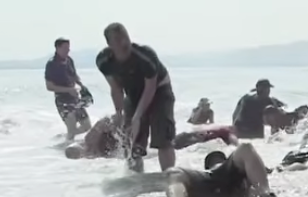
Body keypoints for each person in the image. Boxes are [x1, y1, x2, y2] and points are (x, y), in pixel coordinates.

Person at [96, 22, 177, 173]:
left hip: (159, 91)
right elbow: (116, 88)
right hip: (133, 94)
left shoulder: (144, 55)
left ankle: (169, 175)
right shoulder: (104, 61)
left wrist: (138, 116)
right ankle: (135, 179)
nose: (124, 42)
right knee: (131, 140)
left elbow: (150, 87)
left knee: (163, 138)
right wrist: (119, 112)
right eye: (118, 39)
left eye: (125, 37)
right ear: (109, 44)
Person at [166, 145, 277, 197]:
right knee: (246, 148)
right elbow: (250, 155)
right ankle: (266, 195)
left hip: (202, 192)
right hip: (231, 185)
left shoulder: (202, 175)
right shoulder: (237, 169)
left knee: (173, 172)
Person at [64, 120, 237, 160]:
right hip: (145, 149)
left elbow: (108, 120)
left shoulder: (91, 139)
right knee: (176, 145)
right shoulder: (93, 156)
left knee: (177, 142)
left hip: (143, 142)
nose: (84, 154)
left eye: (80, 152)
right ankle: (218, 133)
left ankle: (220, 131)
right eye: (79, 156)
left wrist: (123, 134)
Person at [45, 37, 92, 140]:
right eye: (65, 48)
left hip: (74, 98)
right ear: (57, 48)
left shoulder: (69, 60)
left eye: (68, 48)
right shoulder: (51, 64)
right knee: (71, 126)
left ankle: (64, 138)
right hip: (62, 100)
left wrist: (82, 86)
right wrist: (69, 90)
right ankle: (67, 145)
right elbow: (49, 87)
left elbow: (74, 76)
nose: (68, 50)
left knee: (87, 126)